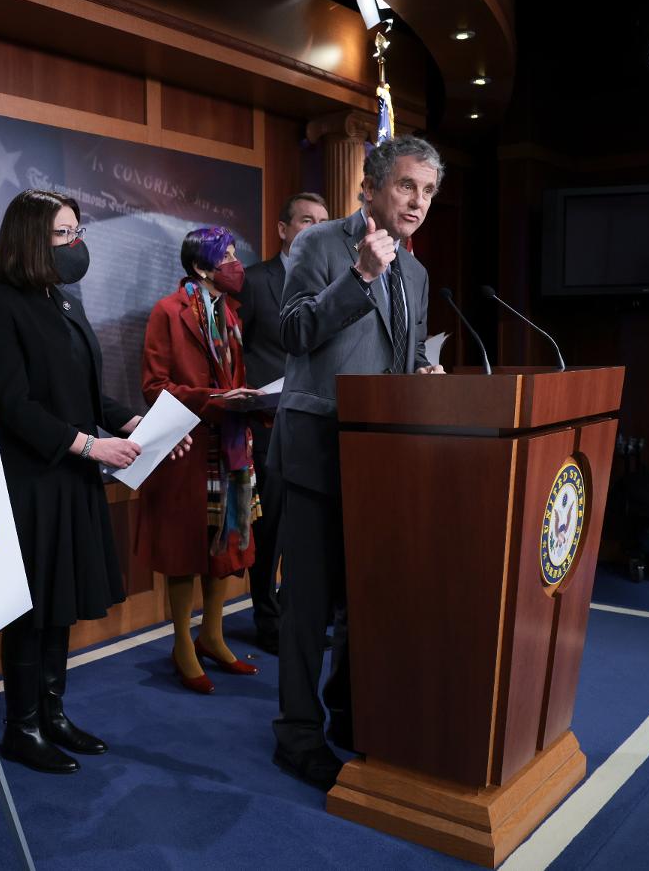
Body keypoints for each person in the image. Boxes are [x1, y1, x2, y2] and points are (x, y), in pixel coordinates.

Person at [0, 189, 192, 773]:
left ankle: (52, 713)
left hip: (72, 479)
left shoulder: (63, 302)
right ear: (31, 240)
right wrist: (90, 445)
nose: (78, 245)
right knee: (34, 612)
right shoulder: (1, 305)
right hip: (35, 482)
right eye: (65, 233)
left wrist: (143, 424)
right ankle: (21, 727)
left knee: (62, 604)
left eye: (78, 231)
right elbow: (11, 404)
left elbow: (87, 391)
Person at [269, 136, 446, 791]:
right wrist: (360, 278)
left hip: (380, 457)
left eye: (428, 192)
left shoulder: (418, 271)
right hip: (317, 448)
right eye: (407, 186)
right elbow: (289, 333)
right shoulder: (319, 246)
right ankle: (296, 732)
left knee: (364, 604)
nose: (418, 202)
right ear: (369, 187)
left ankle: (349, 713)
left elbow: (399, 355)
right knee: (308, 607)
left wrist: (422, 372)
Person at [136, 226, 262, 694]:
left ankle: (212, 634)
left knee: (226, 544)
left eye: (234, 253)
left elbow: (237, 379)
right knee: (184, 550)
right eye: (225, 256)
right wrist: (216, 398)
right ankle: (182, 644)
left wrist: (247, 402)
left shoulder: (231, 315)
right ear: (200, 267)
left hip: (229, 445)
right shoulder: (167, 312)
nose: (235, 263)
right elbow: (154, 386)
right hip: (186, 448)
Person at [235, 192, 329, 654]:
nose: (314, 229)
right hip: (268, 425)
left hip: (318, 423)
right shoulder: (255, 282)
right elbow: (235, 352)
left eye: (323, 221)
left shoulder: (336, 280)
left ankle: (301, 618)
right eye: (306, 220)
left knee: (307, 530)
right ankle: (267, 621)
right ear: (283, 229)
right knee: (270, 528)